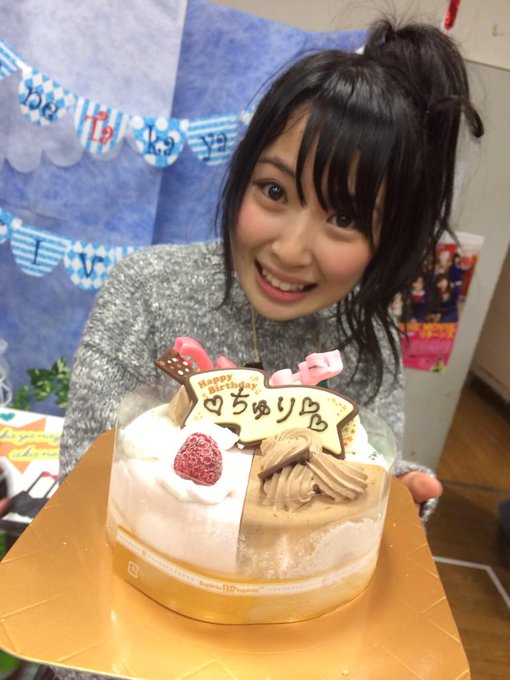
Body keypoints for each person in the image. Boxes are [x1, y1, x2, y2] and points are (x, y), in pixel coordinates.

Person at [45, 16, 485, 680]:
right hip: (125, 640)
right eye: (274, 191)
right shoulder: (147, 290)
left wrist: (397, 498)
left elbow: (360, 490)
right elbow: (83, 489)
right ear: (242, 174)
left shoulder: (371, 342)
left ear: (389, 236)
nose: (290, 248)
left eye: (344, 217)